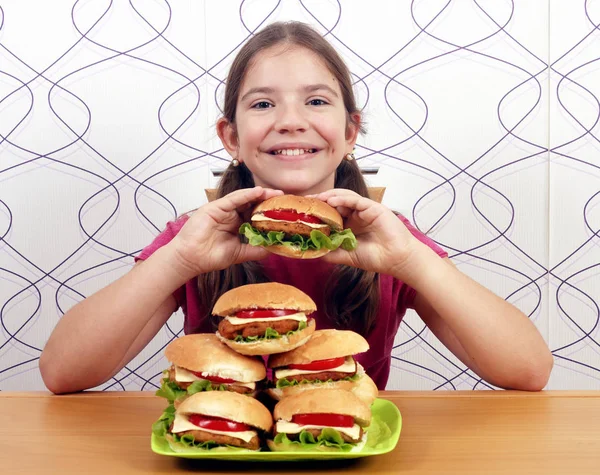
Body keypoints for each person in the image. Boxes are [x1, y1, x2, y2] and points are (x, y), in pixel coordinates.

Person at [39, 21, 553, 394]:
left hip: (348, 450)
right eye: (263, 104)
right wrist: (177, 261)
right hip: (217, 451)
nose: (290, 121)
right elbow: (64, 374)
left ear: (350, 132)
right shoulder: (194, 238)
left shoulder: (386, 239)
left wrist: (414, 262)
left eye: (316, 101)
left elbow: (527, 372)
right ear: (231, 138)